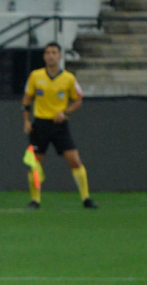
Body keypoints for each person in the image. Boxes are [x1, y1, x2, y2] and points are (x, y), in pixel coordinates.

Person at [22, 43, 98, 210]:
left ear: (60, 56)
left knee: (75, 160)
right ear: (44, 57)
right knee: (35, 164)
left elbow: (78, 100)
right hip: (40, 124)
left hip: (59, 125)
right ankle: (35, 200)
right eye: (48, 53)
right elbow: (26, 100)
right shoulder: (35, 76)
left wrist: (65, 112)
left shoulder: (69, 78)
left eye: (54, 52)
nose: (50, 56)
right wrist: (27, 121)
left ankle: (86, 198)